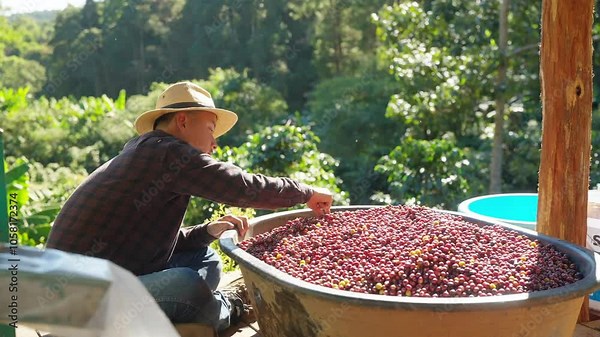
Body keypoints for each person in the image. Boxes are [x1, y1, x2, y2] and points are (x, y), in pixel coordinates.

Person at [46, 81, 334, 331]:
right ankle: (224, 309)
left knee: (206, 258)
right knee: (186, 284)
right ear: (183, 121)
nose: (214, 143)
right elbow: (242, 188)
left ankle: (181, 311)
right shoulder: (166, 153)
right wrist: (305, 192)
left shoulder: (149, 152)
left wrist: (208, 229)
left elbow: (155, 244)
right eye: (210, 128)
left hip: (117, 277)